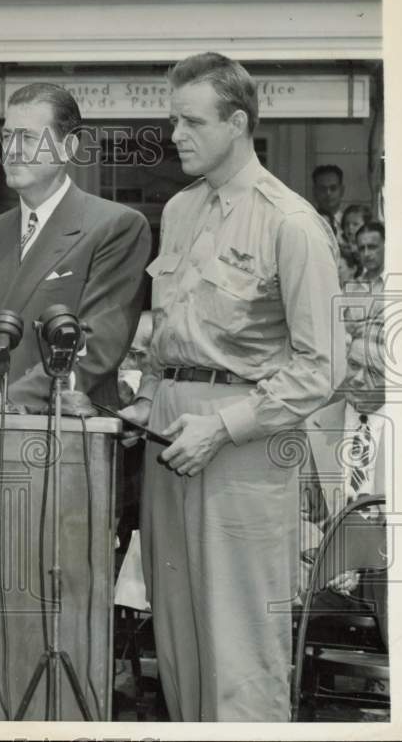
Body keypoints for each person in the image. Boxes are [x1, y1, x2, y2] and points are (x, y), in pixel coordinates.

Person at [120, 52, 344, 722]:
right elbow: (168, 338)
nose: (176, 135)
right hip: (168, 436)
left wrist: (223, 425)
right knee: (179, 644)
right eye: (172, 120)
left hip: (242, 445)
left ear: (238, 122)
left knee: (241, 651)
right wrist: (141, 396)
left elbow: (323, 366)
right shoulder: (183, 210)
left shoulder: (291, 222)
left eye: (191, 121)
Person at [0, 82, 151, 415]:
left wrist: (7, 400)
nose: (13, 150)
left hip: (65, 434)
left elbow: (97, 344)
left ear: (68, 147)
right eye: (7, 137)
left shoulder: (116, 227)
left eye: (29, 138)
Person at [299, 318, 389, 639]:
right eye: (353, 364)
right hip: (324, 568)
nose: (358, 378)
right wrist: (328, 556)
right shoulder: (314, 423)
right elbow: (297, 511)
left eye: (374, 373)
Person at [311, 163, 346, 237]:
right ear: (314, 191)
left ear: (342, 191)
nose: (328, 193)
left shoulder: (351, 222)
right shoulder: (309, 221)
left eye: (333, 188)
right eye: (322, 189)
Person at [355, 221, 386, 290]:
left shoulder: (400, 282)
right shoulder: (350, 289)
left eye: (372, 247)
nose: (366, 254)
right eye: (362, 248)